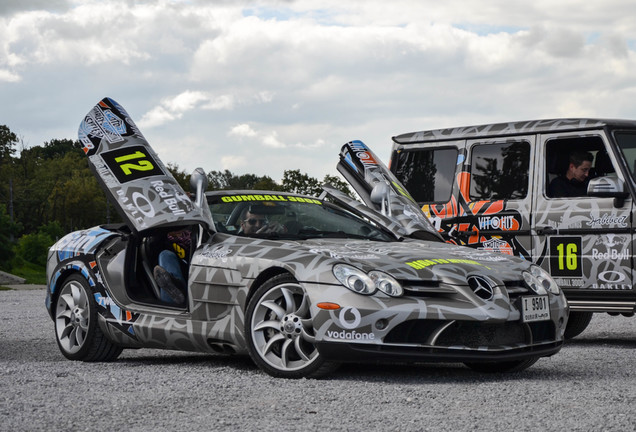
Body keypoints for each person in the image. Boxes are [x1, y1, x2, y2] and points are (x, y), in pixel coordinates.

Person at [153, 229, 191, 305]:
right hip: (177, 272)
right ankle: (177, 288)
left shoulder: (195, 233)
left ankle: (177, 292)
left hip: (193, 270)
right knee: (165, 255)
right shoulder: (164, 240)